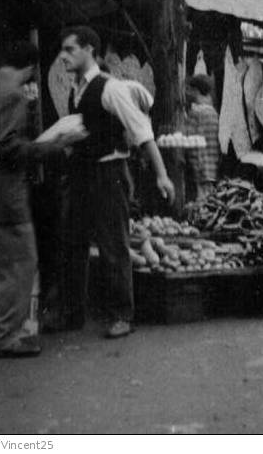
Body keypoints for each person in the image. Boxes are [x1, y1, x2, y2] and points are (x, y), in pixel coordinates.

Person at [58, 25, 175, 339]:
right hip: (82, 173)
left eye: (70, 49)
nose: (63, 55)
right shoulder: (76, 89)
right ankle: (72, 314)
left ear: (89, 50)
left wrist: (162, 174)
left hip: (109, 174)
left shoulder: (111, 88)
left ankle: (122, 315)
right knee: (74, 242)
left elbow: (142, 132)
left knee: (113, 246)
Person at [0, 42, 84, 357]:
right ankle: (5, 336)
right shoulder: (12, 95)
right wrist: (55, 145)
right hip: (6, 197)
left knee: (6, 264)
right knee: (21, 263)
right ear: (33, 68)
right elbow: (6, 147)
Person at [185, 74, 220, 201]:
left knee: (198, 202)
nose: (187, 93)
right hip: (211, 168)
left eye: (189, 89)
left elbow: (190, 141)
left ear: (196, 90)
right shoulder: (213, 112)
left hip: (198, 168)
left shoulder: (195, 113)